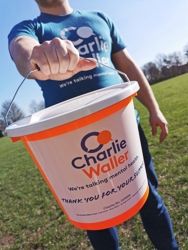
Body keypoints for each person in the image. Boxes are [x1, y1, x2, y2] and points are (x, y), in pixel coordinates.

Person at [8, 1, 180, 249]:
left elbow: (128, 66)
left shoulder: (100, 17)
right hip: (70, 143)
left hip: (126, 128)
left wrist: (155, 109)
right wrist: (37, 57)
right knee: (94, 214)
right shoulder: (30, 28)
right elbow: (21, 51)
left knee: (148, 196)